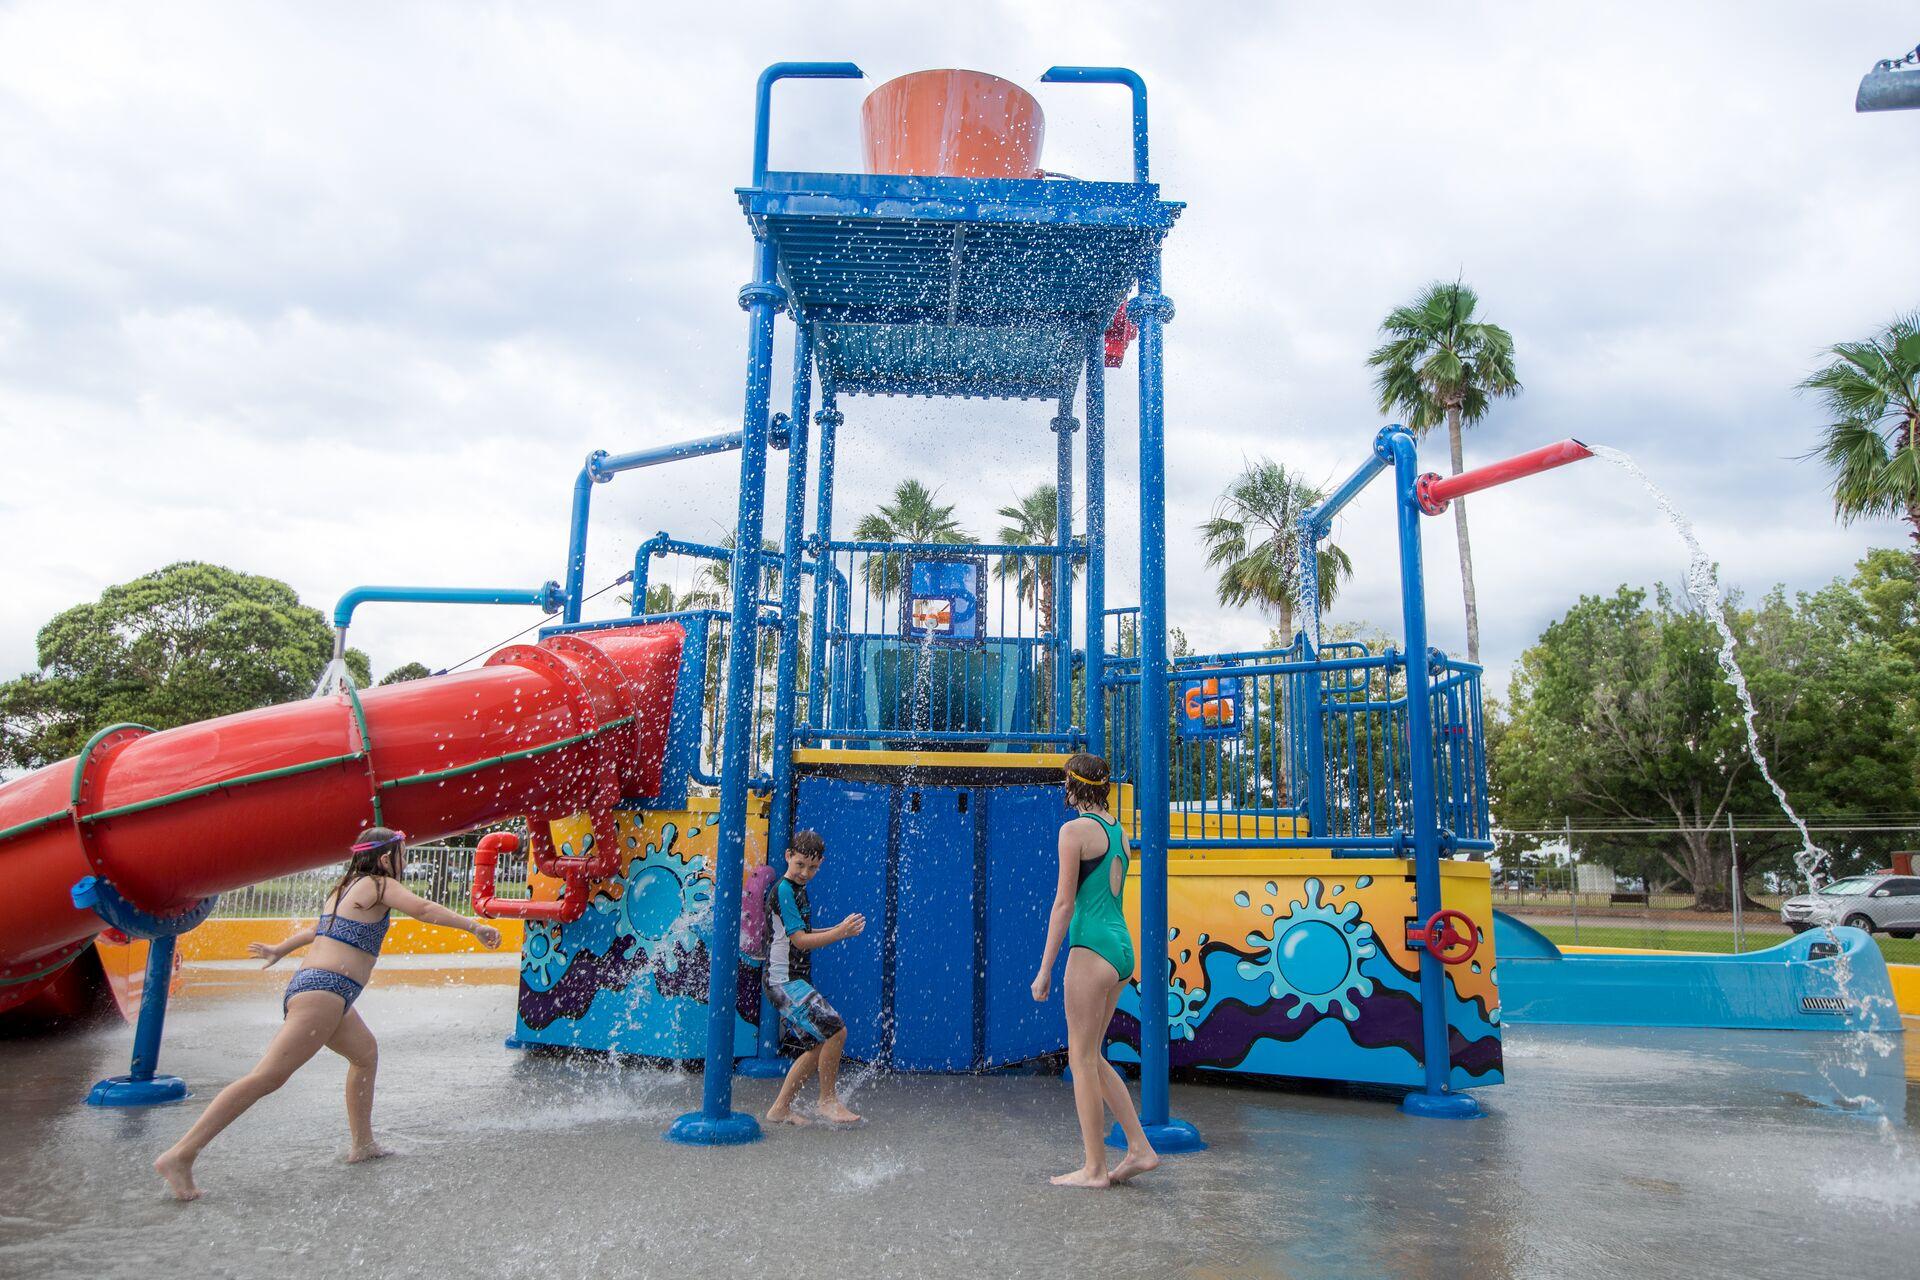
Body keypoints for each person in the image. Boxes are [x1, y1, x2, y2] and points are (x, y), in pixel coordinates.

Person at [154, 826, 501, 1201]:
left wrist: (279, 948)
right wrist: (474, 926)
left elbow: (318, 932)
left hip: (326, 992)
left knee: (365, 1055)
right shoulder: (380, 885)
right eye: (403, 854)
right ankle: (181, 1153)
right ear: (386, 858)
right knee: (267, 1077)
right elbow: (424, 909)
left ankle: (363, 1144)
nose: (406, 862)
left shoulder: (343, 889)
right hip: (324, 993)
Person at [1031, 753, 1159, 1189]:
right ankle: (1140, 1149)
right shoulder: (1118, 832)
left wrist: (1045, 968)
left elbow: (1065, 904)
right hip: (1121, 949)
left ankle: (1094, 1169)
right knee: (1094, 1056)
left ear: (1073, 785)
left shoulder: (1074, 831)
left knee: (1080, 1059)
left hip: (1091, 949)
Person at [763, 829, 865, 1126]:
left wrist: (836, 927)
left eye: (813, 867)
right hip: (784, 982)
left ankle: (780, 1109)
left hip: (788, 981)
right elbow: (799, 941)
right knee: (836, 1030)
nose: (805, 873)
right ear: (788, 856)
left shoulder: (797, 889)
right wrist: (839, 934)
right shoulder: (784, 889)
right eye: (800, 865)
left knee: (820, 1043)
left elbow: (804, 933)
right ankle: (828, 1101)